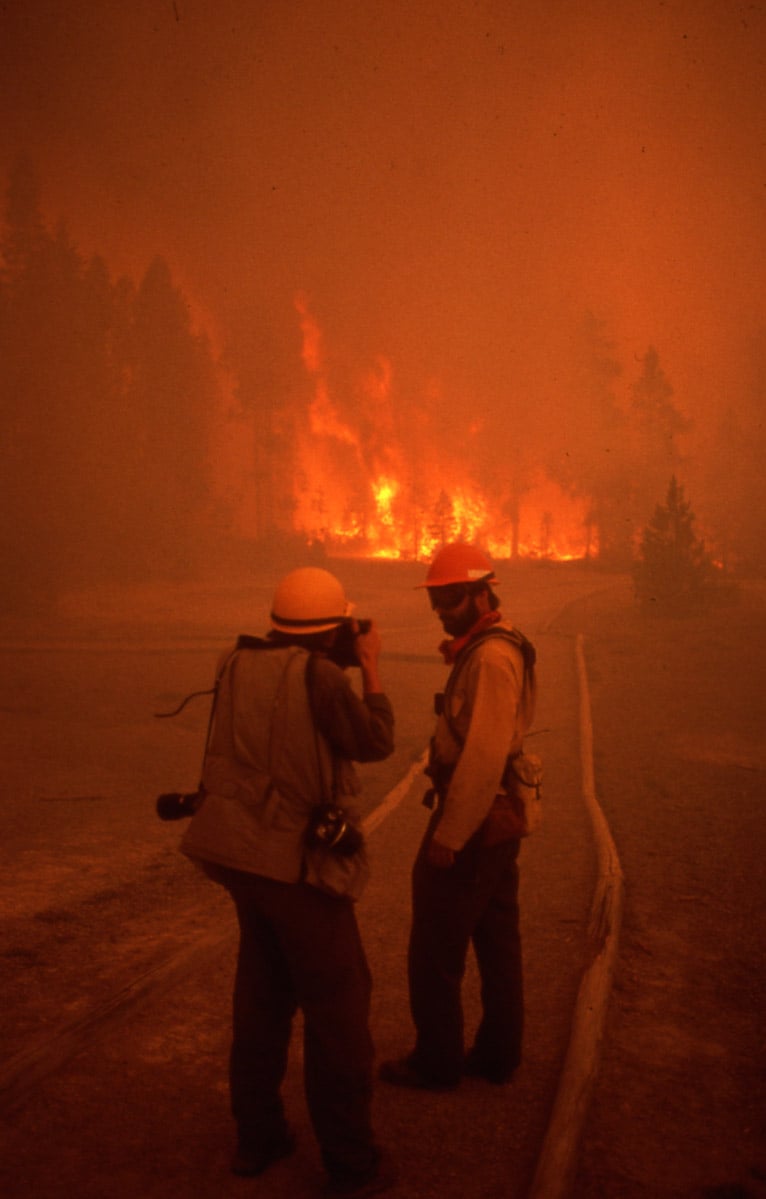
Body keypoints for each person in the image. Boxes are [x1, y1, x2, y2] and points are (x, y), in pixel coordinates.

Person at [179, 566, 396, 1196]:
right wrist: (373, 667)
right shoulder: (323, 676)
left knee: (262, 1000)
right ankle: (353, 1164)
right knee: (339, 1013)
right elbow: (375, 740)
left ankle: (258, 1137)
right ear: (332, 632)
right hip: (297, 871)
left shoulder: (238, 661)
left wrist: (338, 664)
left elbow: (286, 714)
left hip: (242, 861)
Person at [379, 543, 537, 1091]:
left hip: (474, 816)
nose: (442, 609)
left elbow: (485, 757)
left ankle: (436, 1061)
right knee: (496, 937)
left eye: (450, 597)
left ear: (481, 591)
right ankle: (497, 1056)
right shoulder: (486, 647)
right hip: (496, 820)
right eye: (436, 601)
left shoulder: (492, 658)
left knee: (434, 951)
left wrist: (449, 834)